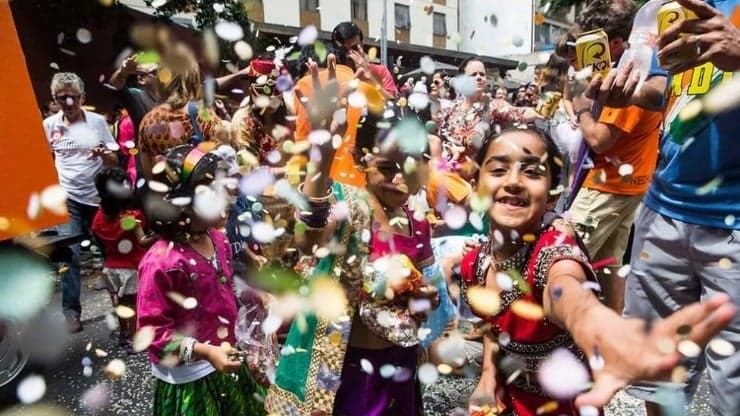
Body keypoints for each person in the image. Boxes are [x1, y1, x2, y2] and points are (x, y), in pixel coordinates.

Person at [459, 127, 734, 416]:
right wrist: (488, 380)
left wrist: (601, 327)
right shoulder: (474, 263)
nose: (513, 181)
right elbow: (494, 327)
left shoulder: (553, 256)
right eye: (499, 169)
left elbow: (570, 296)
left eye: (531, 172)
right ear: (476, 183)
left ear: (553, 195)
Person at [580, 0, 740, 414]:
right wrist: (624, 91)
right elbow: (664, 92)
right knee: (659, 374)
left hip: (733, 221)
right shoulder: (661, 8)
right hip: (663, 209)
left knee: (734, 385)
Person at [264, 57, 444, 416]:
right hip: (347, 369)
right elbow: (309, 239)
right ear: (362, 160)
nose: (399, 180)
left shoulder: (416, 216)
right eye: (387, 168)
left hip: (401, 362)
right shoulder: (349, 203)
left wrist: (425, 297)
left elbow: (427, 283)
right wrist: (321, 156)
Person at [136, 144, 265, 415]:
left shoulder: (218, 239)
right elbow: (153, 332)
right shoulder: (162, 262)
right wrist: (205, 352)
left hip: (227, 357)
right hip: (191, 379)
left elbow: (224, 286)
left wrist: (255, 295)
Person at [567, 0, 664, 313]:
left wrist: (580, 104)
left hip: (607, 188)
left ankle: (548, 341)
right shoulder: (638, 67)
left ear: (615, 44)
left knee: (560, 259)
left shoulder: (627, 76)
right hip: (629, 185)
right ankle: (607, 338)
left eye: (587, 46)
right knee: (609, 265)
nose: (580, 55)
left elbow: (600, 139)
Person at [42, 72, 119, 333]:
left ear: (82, 97)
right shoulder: (50, 125)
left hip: (98, 198)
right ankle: (71, 312)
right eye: (61, 97)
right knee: (68, 256)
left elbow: (114, 161)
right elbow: (45, 160)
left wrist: (103, 154)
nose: (68, 102)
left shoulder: (97, 123)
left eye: (72, 96)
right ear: (54, 99)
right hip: (69, 198)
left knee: (111, 252)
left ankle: (122, 304)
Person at [137, 43, 224, 180]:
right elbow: (223, 157)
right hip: (197, 196)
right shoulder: (201, 113)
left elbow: (148, 173)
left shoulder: (148, 120)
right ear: (193, 77)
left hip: (163, 197)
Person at [91, 167, 154, 352]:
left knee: (120, 304)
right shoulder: (131, 219)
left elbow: (100, 244)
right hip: (132, 269)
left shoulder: (97, 220)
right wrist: (157, 235)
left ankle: (123, 334)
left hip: (111, 268)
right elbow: (143, 241)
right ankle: (135, 340)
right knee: (134, 305)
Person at [331, 21, 399, 98]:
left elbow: (392, 103)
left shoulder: (380, 72)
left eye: (354, 48)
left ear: (362, 45)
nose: (349, 55)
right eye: (344, 50)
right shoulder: (332, 74)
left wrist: (370, 77)